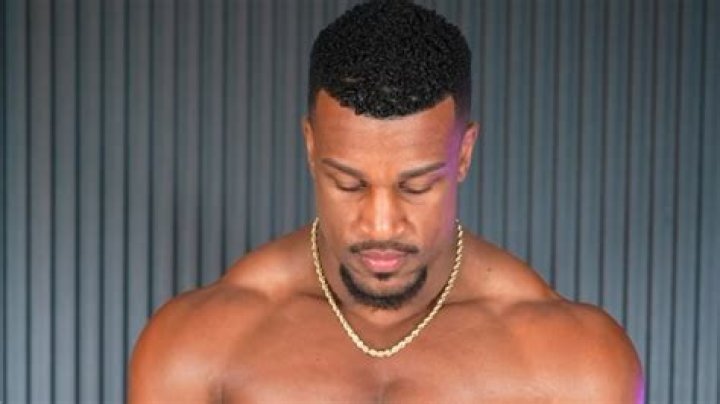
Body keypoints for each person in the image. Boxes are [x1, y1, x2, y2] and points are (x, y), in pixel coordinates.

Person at [129, 0, 644, 402]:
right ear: (310, 147)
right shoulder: (196, 345)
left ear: (463, 154)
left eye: (415, 186)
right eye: (348, 184)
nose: (380, 225)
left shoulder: (575, 362)